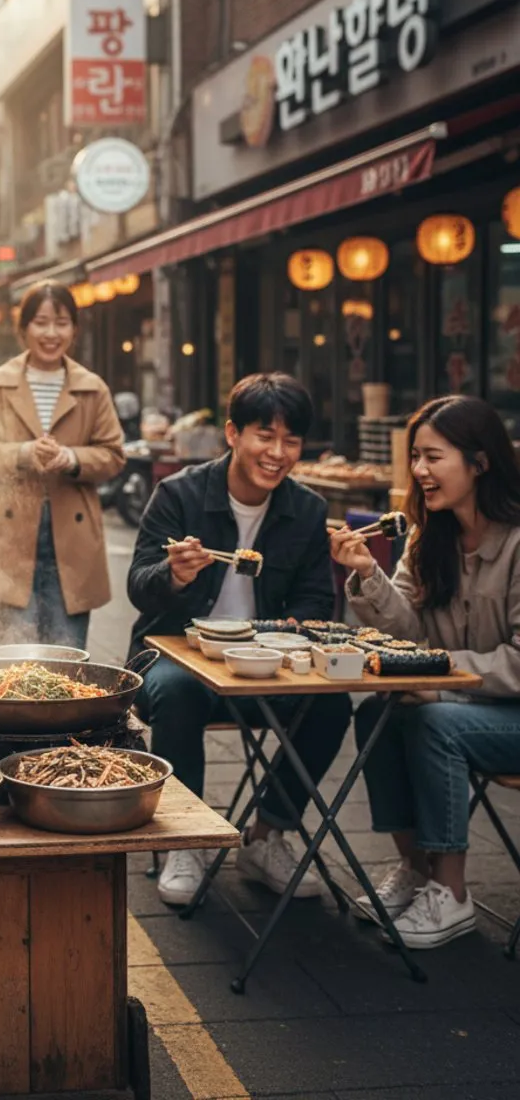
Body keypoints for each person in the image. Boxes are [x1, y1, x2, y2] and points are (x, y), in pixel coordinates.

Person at [128, 373, 351, 906]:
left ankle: (267, 834)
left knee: (332, 705)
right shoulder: (179, 495)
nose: (277, 453)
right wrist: (175, 574)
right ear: (232, 433)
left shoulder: (308, 510)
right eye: (264, 436)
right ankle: (187, 840)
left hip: (265, 665)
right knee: (179, 692)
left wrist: (294, 630)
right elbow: (139, 586)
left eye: (290, 441)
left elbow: (318, 603)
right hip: (174, 654)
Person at [330, 395, 520, 949]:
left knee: (434, 721)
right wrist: (368, 574)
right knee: (378, 713)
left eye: (433, 457)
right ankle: (415, 870)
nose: (419, 471)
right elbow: (408, 630)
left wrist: (440, 678)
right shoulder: (426, 534)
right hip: (468, 702)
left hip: (502, 711)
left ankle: (452, 892)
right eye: (415, 456)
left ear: (479, 463)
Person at [0, 282, 125, 648]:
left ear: (74, 330)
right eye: (41, 322)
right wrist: (23, 453)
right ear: (23, 328)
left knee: (66, 659)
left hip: (73, 540)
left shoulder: (92, 388)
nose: (51, 333)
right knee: (11, 661)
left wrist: (72, 458)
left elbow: (113, 454)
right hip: (7, 536)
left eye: (61, 323)